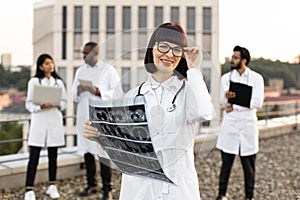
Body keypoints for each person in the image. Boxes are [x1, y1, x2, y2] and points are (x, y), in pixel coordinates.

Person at [83, 22, 215, 200]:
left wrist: (192, 68)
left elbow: (203, 112)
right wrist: (98, 135)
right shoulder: (133, 95)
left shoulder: (188, 91)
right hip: (138, 189)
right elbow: (123, 146)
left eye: (177, 50)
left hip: (178, 189)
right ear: (152, 48)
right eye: (163, 46)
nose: (169, 54)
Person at [72, 42, 123, 200]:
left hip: (101, 118)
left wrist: (98, 91)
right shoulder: (80, 71)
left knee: (103, 152)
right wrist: (79, 90)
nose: (84, 56)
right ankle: (91, 184)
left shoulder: (108, 70)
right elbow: (73, 95)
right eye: (83, 53)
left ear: (95, 53)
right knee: (87, 152)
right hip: (83, 115)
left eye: (87, 53)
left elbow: (118, 94)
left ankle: (107, 188)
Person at [215, 46, 264, 200]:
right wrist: (228, 98)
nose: (232, 60)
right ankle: (221, 194)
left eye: (235, 58)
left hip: (248, 124)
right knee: (226, 163)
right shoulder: (226, 78)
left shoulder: (257, 78)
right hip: (230, 124)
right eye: (232, 57)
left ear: (244, 60)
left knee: (249, 165)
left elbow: (257, 103)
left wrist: (234, 103)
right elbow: (222, 102)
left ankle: (249, 196)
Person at [24, 54, 67, 200]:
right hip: (39, 121)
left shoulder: (58, 83)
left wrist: (56, 103)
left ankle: (52, 186)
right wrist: (39, 106)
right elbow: (28, 104)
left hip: (54, 120)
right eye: (47, 63)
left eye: (52, 63)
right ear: (41, 66)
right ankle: (29, 189)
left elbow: (65, 102)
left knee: (53, 156)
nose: (50, 66)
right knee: (34, 156)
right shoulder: (34, 82)